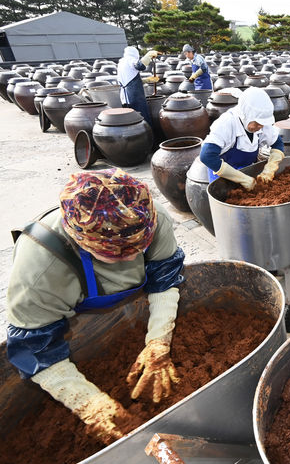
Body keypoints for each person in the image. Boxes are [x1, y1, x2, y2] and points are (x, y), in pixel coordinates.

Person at [6, 168, 185, 444]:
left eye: (139, 248)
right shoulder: (40, 267)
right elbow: (34, 348)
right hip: (72, 337)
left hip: (131, 322)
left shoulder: (145, 214)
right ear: (82, 243)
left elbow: (164, 277)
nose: (134, 257)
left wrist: (158, 342)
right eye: (118, 254)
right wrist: (88, 403)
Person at [200, 87, 285, 189]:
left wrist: (270, 168)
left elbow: (278, 143)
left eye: (262, 124)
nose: (260, 127)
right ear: (246, 116)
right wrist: (242, 179)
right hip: (222, 177)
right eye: (257, 123)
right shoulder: (227, 123)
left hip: (246, 172)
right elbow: (206, 156)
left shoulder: (261, 123)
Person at [118, 46, 158, 125]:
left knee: (131, 118)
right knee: (142, 116)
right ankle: (147, 133)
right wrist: (148, 55)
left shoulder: (121, 62)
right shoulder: (129, 59)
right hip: (134, 95)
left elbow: (129, 79)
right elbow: (140, 66)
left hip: (126, 95)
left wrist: (147, 80)